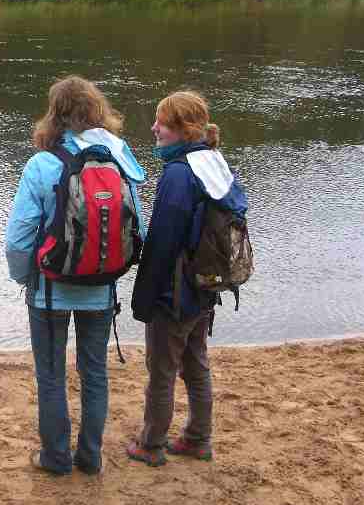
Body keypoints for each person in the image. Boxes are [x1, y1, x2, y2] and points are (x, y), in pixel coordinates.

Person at [6, 75, 145, 476]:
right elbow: (139, 231)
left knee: (50, 375)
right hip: (101, 291)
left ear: (55, 115)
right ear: (97, 110)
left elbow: (18, 240)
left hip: (49, 292)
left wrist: (23, 278)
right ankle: (90, 456)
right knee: (95, 372)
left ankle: (55, 459)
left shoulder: (42, 164)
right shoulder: (119, 159)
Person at [127, 90, 248, 467]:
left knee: (161, 371)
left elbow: (163, 242)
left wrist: (143, 298)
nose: (154, 128)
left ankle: (151, 444)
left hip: (174, 293)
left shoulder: (178, 174)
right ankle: (198, 438)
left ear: (182, 129)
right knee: (196, 364)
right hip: (206, 287)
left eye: (161, 122)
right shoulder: (213, 162)